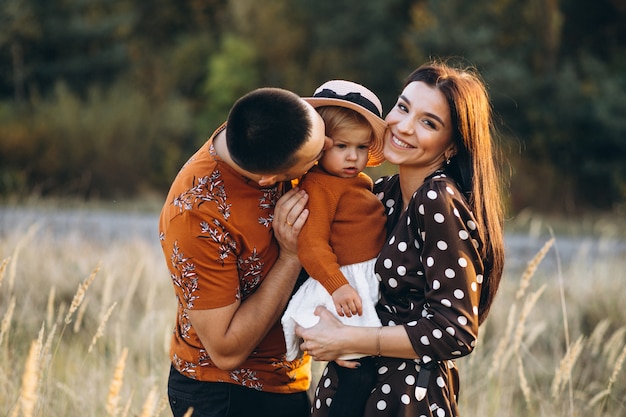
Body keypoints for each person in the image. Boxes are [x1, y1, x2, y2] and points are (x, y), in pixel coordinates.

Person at [295, 60, 506, 417]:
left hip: (404, 396)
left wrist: (349, 339)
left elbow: (455, 330)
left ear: (452, 146)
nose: (403, 127)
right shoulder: (381, 193)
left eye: (428, 122)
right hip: (352, 386)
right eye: (403, 107)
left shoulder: (437, 200)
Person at [159, 87, 331, 417]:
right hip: (226, 395)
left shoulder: (269, 126)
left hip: (287, 378)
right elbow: (225, 350)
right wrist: (290, 258)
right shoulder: (196, 216)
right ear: (269, 179)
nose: (324, 153)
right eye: (313, 160)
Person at [281, 80, 387, 417]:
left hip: (358, 281)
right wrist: (337, 286)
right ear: (320, 144)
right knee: (357, 374)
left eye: (361, 147)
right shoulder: (319, 187)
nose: (353, 156)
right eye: (341, 146)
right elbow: (311, 245)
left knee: (363, 368)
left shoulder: (355, 182)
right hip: (340, 285)